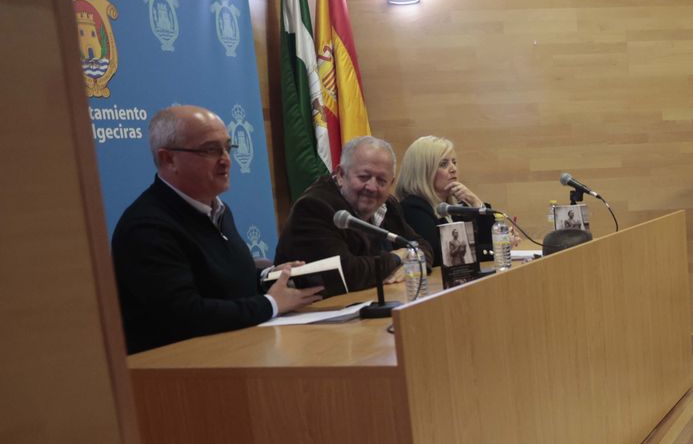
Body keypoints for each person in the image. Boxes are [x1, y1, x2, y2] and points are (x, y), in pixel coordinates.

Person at [113, 105, 322, 354]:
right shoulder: (147, 227)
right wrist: (271, 304)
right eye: (211, 150)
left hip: (235, 353)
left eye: (227, 147)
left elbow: (220, 286)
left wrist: (271, 277)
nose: (225, 160)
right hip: (178, 373)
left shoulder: (217, 210)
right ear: (169, 159)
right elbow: (185, 315)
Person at [276, 136, 420, 292]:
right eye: (364, 177)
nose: (372, 187)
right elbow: (348, 274)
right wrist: (398, 257)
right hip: (318, 310)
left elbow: (422, 246)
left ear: (391, 183)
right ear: (340, 175)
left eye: (381, 181)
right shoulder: (314, 207)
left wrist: (408, 255)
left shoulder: (388, 205)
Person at [396, 135, 498, 268]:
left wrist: (475, 202)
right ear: (424, 171)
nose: (453, 169)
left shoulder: (453, 210)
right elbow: (442, 257)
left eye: (454, 162)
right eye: (444, 164)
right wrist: (492, 250)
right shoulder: (413, 209)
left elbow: (487, 243)